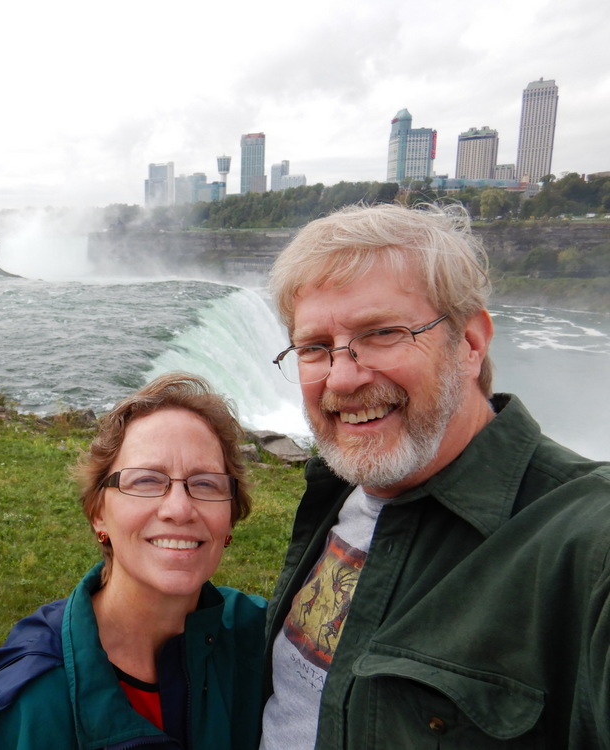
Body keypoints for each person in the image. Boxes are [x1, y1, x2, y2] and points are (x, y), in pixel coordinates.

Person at [260, 202, 610, 749]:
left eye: (381, 333)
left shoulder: (588, 543)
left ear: (470, 344)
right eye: (314, 348)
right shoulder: (342, 492)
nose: (343, 378)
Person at [0, 373, 267, 749]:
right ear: (98, 513)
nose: (179, 509)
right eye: (146, 481)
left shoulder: (265, 640)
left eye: (206, 483)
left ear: (230, 517)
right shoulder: (33, 703)